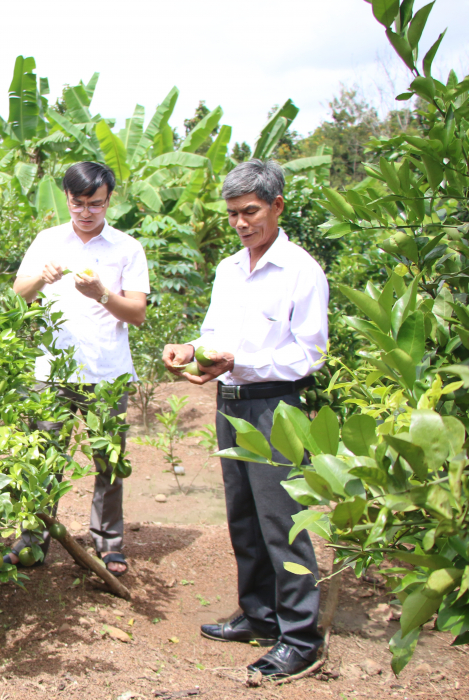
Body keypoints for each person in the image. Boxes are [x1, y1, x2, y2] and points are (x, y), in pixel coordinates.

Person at [161, 159, 327, 677]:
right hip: (232, 399)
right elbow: (217, 332)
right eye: (233, 214)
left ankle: (301, 636)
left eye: (250, 211)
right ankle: (258, 614)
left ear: (277, 206)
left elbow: (310, 355)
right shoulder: (230, 268)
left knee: (281, 520)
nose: (240, 223)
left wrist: (243, 363)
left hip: (277, 403)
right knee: (244, 515)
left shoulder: (301, 270)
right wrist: (191, 349)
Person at [11, 161, 149, 577]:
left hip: (108, 373)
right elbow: (20, 294)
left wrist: (103, 294)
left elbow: (138, 313)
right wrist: (40, 277)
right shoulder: (48, 240)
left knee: (108, 461)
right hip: (53, 371)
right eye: (78, 203)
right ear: (67, 199)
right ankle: (33, 539)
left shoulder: (127, 248)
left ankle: (109, 543)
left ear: (110, 200)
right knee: (44, 457)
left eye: (96, 204)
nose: (87, 212)